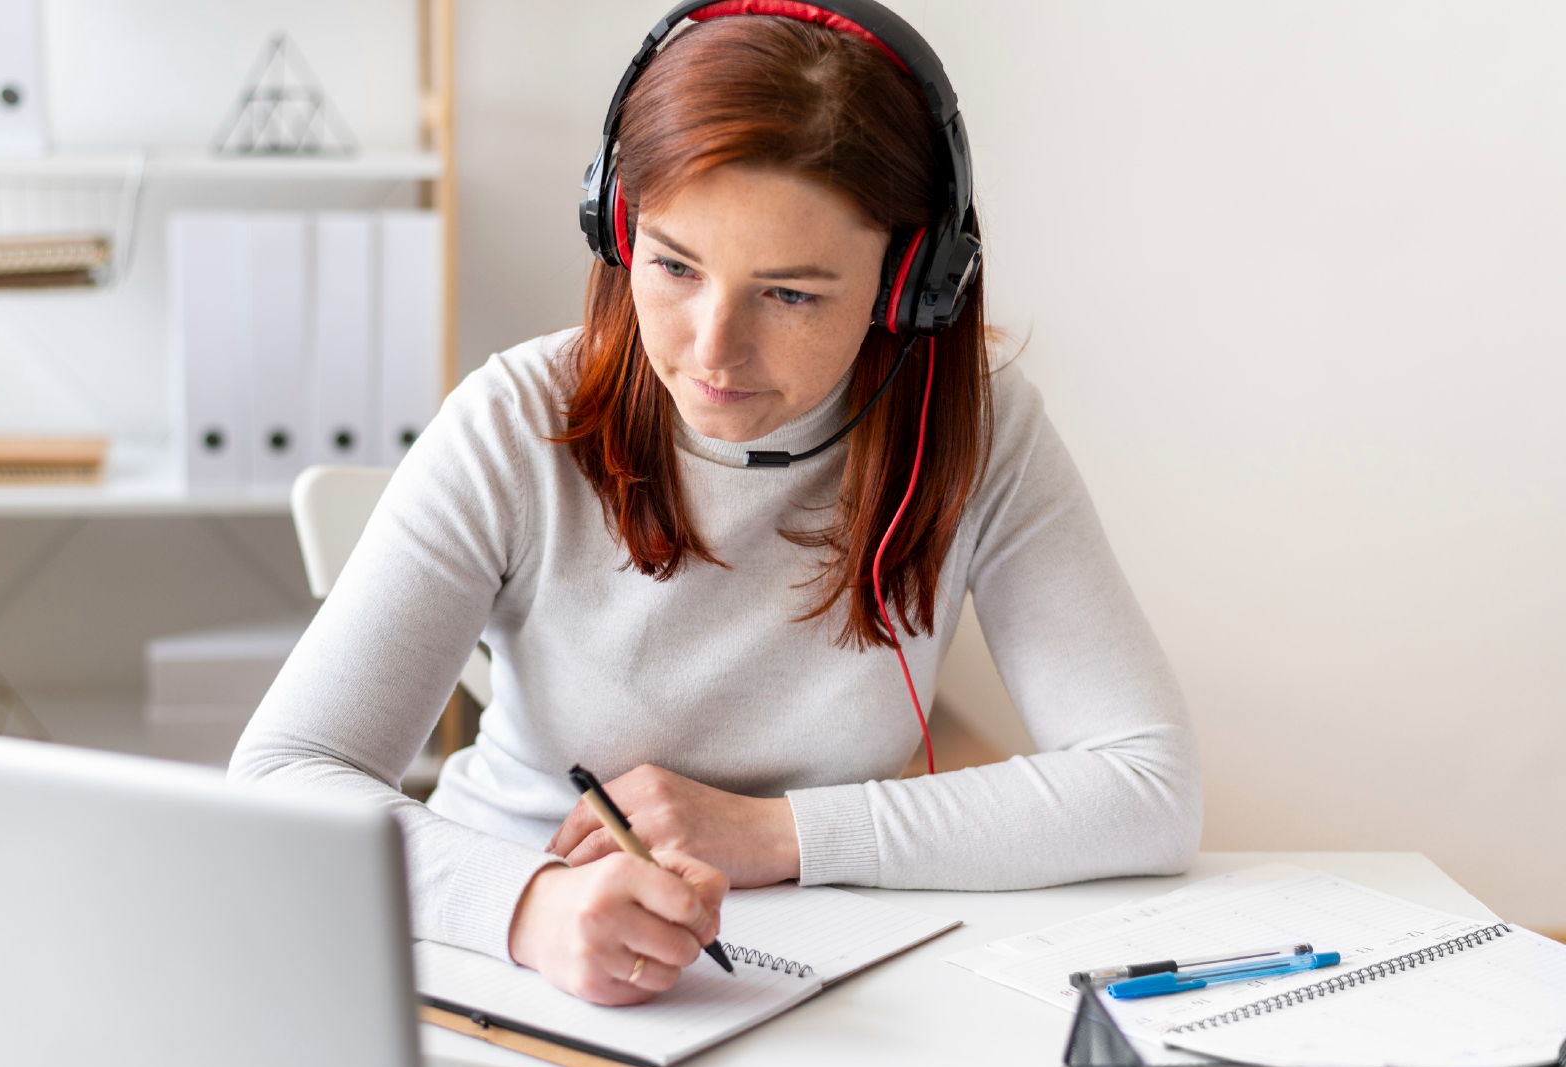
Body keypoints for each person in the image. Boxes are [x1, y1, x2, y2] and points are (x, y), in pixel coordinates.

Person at [232, 3, 1199, 1007]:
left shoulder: (976, 432)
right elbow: (284, 776)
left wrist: (771, 833)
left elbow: (1149, 787)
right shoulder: (513, 421)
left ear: (911, 284)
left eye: (790, 295)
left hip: (827, 969)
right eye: (674, 266)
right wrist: (532, 907)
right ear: (618, 226)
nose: (711, 351)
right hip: (508, 958)